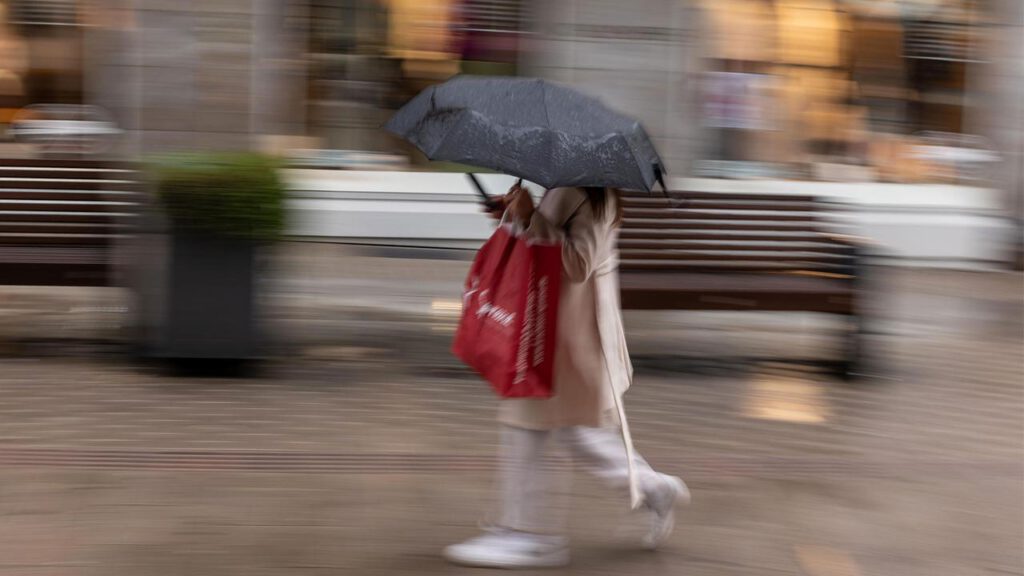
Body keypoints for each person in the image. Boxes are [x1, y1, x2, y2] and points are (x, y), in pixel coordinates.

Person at [444, 183, 690, 569]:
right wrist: (515, 215)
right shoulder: (571, 185)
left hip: (565, 334)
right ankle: (653, 487)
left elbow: (577, 264)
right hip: (551, 328)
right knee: (571, 431)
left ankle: (530, 536)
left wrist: (530, 217)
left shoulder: (592, 193)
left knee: (531, 426)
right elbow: (547, 238)